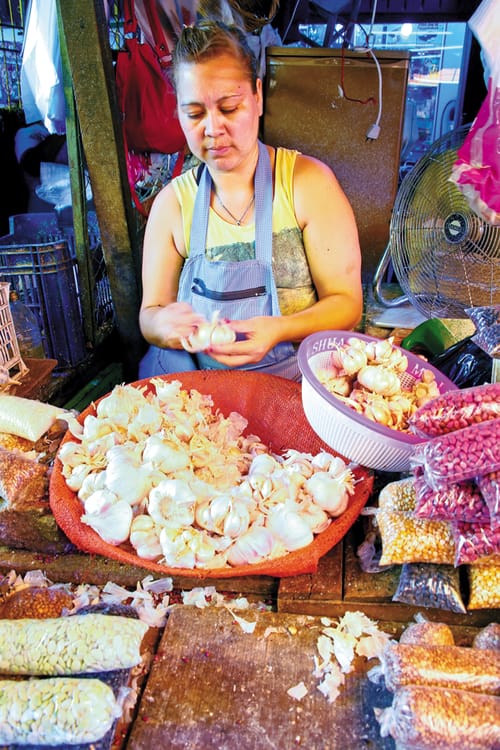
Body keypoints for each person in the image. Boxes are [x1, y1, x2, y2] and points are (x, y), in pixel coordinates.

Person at [138, 18, 363, 381]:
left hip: (295, 387)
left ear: (257, 97)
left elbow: (347, 304)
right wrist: (165, 324)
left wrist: (278, 329)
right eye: (194, 113)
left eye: (229, 107)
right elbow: (150, 313)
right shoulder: (172, 205)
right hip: (201, 396)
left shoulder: (308, 185)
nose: (212, 129)